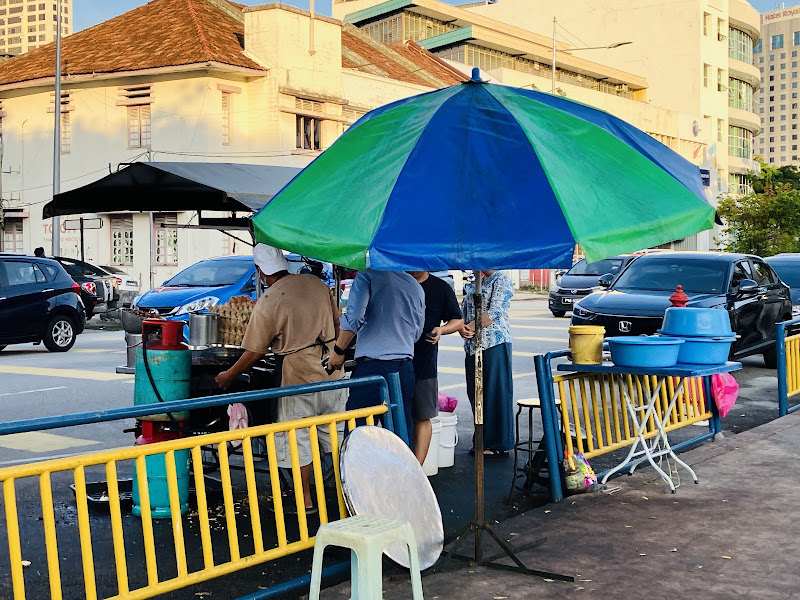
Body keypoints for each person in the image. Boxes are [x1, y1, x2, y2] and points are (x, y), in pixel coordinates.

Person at [215, 244, 344, 511]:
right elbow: (338, 323)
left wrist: (228, 375)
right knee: (334, 437)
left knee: (298, 440)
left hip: (297, 378)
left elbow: (254, 351)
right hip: (332, 373)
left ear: (261, 272)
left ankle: (305, 500)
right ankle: (349, 494)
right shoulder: (317, 284)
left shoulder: (270, 299)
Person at [327, 269, 424, 441]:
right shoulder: (415, 286)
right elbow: (416, 333)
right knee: (399, 435)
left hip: (373, 369)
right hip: (404, 368)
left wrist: (339, 350)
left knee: (358, 435)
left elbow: (355, 317)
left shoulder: (368, 275)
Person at [408, 271, 463, 465]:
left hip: (424, 361)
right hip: (394, 360)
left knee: (422, 416)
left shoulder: (440, 287)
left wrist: (442, 329)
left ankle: (417, 468)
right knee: (396, 415)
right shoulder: (396, 283)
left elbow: (458, 320)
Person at [460, 270, 515, 456]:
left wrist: (473, 326)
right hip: (472, 345)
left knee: (494, 392)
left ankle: (496, 442)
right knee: (475, 393)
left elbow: (496, 311)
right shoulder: (475, 281)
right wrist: (463, 328)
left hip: (494, 343)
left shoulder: (501, 280)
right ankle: (481, 439)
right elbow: (464, 310)